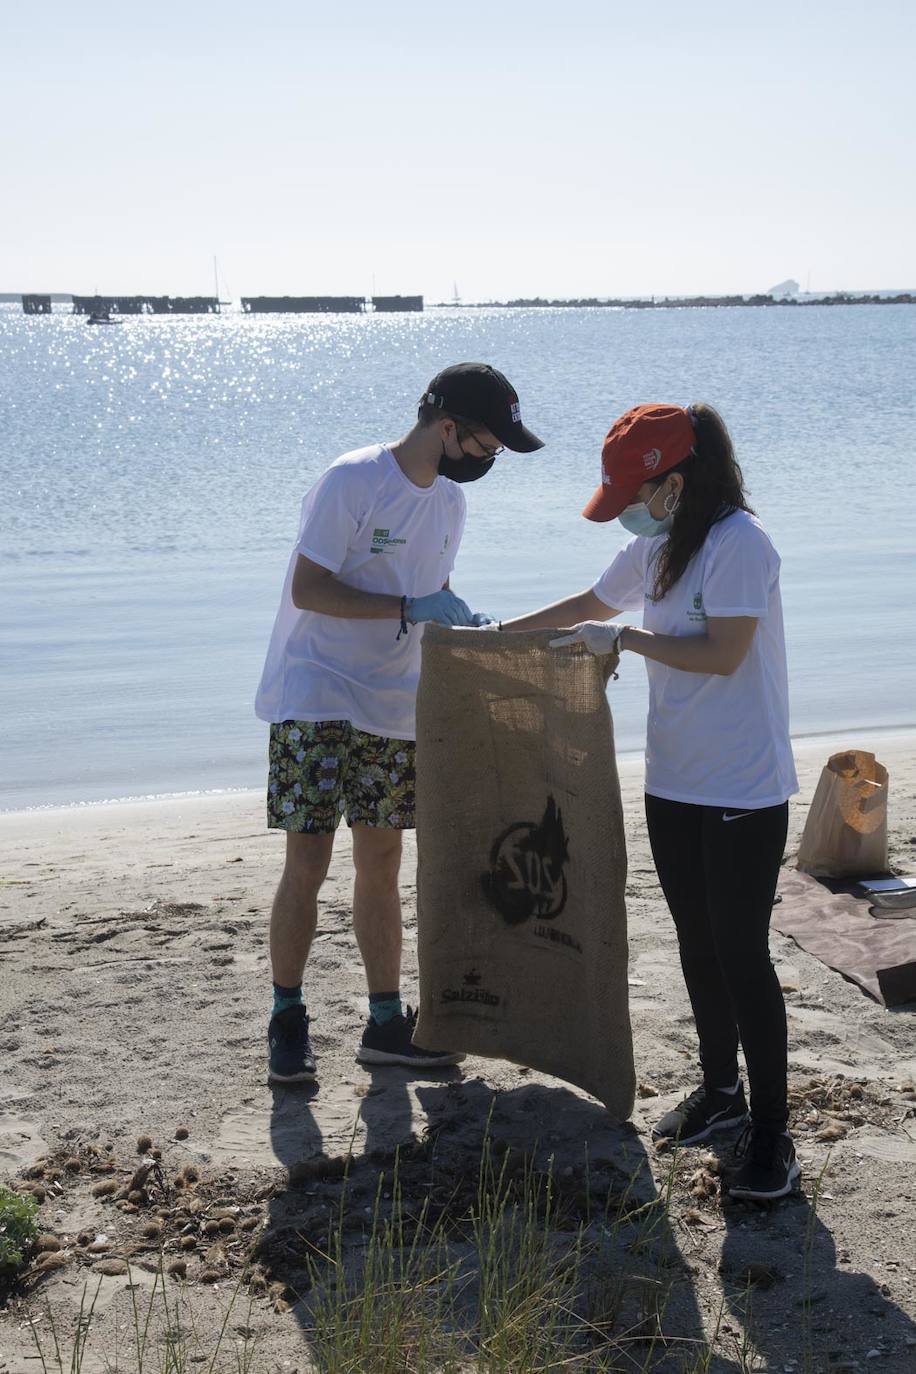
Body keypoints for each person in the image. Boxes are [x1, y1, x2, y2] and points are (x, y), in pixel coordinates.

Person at [504, 403, 799, 1202]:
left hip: (743, 786)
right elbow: (587, 607)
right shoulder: (656, 546)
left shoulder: (742, 544)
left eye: (640, 492)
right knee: (697, 943)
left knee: (742, 953)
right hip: (674, 782)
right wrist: (497, 638)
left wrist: (628, 643)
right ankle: (718, 1093)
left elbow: (724, 654)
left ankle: (772, 1132)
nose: (631, 511)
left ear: (676, 479)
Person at [255, 363, 544, 1085]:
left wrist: (454, 622)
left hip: (392, 701)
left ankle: (386, 1023)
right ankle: (287, 1017)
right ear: (447, 427)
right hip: (315, 691)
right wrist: (405, 609)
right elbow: (308, 588)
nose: (491, 458)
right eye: (486, 443)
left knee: (381, 862)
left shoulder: (449, 504)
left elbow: (434, 590)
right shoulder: (351, 481)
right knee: (309, 862)